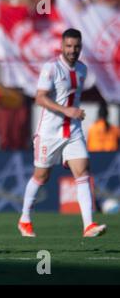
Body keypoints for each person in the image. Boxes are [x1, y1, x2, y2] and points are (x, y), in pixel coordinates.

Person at [18, 28, 106, 238]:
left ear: (80, 47)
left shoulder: (83, 70)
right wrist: (66, 110)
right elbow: (40, 97)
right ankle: (24, 219)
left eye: (76, 47)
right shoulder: (51, 68)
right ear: (62, 46)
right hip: (49, 132)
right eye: (68, 46)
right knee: (42, 176)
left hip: (73, 130)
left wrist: (72, 113)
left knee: (83, 172)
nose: (72, 50)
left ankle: (88, 225)